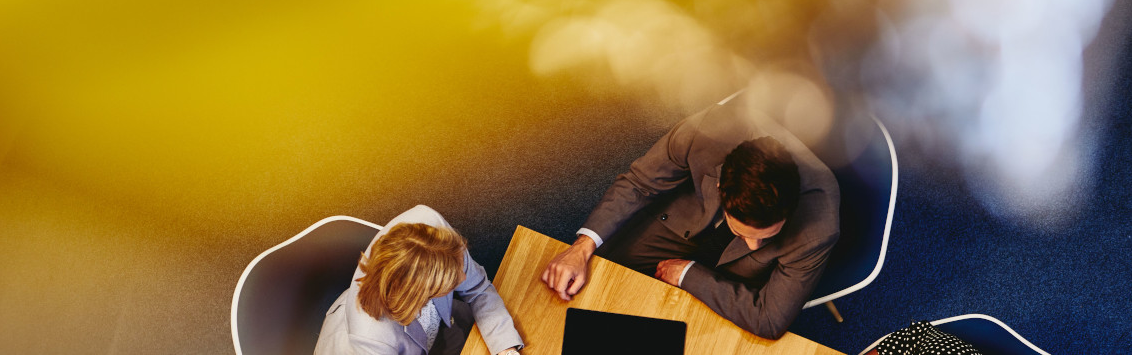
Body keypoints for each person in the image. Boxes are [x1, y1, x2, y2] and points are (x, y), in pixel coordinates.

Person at [541, 96, 840, 339]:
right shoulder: (708, 129)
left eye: (767, 234)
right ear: (722, 189)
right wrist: (581, 248)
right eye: (744, 231)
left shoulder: (820, 224)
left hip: (734, 276)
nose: (754, 245)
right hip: (677, 221)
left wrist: (688, 275)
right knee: (590, 289)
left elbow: (769, 320)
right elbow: (639, 183)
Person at [315, 205, 523, 355]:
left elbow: (479, 289)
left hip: (427, 328)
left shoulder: (433, 230)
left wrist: (506, 351)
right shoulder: (372, 341)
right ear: (420, 295)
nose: (465, 277)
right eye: (452, 282)